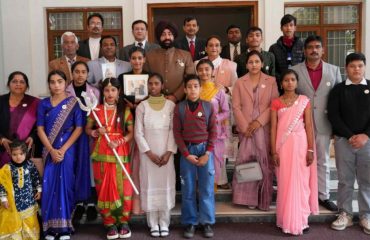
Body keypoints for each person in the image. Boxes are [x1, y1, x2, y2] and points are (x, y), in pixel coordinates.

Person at [291, 35, 341, 212]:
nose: (314, 50)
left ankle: (323, 195)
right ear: (304, 51)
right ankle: (304, 194)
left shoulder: (333, 70)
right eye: (310, 47)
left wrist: (337, 126)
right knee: (300, 161)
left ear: (323, 49)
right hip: (300, 125)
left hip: (323, 123)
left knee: (323, 160)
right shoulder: (295, 69)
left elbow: (337, 100)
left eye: (317, 47)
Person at [37, 70, 86, 240]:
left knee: (65, 184)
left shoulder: (74, 102)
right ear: (49, 84)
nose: (56, 85)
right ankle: (50, 227)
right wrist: (51, 150)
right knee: (49, 184)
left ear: (66, 82)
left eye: (59, 81)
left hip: (67, 149)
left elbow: (79, 128)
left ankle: (65, 227)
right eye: (52, 82)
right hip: (49, 149)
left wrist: (63, 149)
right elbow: (40, 128)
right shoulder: (44, 104)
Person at [270, 69, 319, 235]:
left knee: (302, 182)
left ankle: (301, 219)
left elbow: (310, 126)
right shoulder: (276, 102)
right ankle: (285, 219)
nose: (289, 83)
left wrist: (311, 149)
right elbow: (273, 128)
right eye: (286, 80)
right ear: (281, 83)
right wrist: (273, 152)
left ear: (297, 83)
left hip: (301, 145)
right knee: (285, 181)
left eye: (292, 80)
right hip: (282, 147)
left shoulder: (304, 101)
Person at [85, 77, 134, 240]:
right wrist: (96, 132)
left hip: (119, 152)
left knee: (123, 188)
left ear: (119, 91)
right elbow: (87, 129)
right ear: (103, 92)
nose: (110, 93)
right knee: (104, 189)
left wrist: (119, 141)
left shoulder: (125, 110)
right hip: (101, 154)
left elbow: (131, 133)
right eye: (107, 90)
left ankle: (124, 222)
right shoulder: (96, 110)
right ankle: (110, 223)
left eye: (113, 90)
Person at [328, 53, 370, 235]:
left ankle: (366, 215)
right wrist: (350, 135)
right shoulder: (338, 90)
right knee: (345, 180)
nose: (357, 69)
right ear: (346, 68)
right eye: (353, 66)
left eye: (360, 66)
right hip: (343, 141)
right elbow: (333, 115)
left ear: (365, 67)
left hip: (367, 142)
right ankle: (345, 213)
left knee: (366, 180)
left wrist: (365, 135)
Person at [232, 50, 278, 210]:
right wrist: (246, 128)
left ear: (262, 64)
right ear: (246, 65)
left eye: (257, 62)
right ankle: (248, 199)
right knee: (247, 161)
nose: (254, 65)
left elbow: (274, 104)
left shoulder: (271, 81)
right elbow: (236, 106)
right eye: (250, 62)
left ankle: (263, 198)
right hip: (246, 131)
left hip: (263, 128)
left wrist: (258, 122)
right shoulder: (239, 82)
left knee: (264, 162)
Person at [173, 75, 217, 238]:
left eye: (196, 86)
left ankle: (207, 222)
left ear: (200, 88)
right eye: (189, 86)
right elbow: (177, 133)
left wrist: (207, 153)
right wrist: (186, 154)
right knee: (188, 189)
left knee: (206, 189)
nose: (192, 89)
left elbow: (213, 131)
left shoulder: (208, 106)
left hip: (205, 151)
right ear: (185, 89)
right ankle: (190, 222)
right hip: (187, 152)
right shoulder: (179, 108)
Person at [134, 73, 177, 237]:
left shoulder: (170, 106)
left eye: (156, 83)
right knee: (150, 185)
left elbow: (174, 131)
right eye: (150, 84)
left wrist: (168, 152)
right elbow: (138, 133)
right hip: (148, 155)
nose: (153, 87)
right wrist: (149, 153)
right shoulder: (141, 107)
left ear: (162, 85)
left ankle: (164, 222)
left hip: (166, 154)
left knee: (165, 185)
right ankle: (153, 223)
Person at [66, 61, 100, 223]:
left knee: (91, 168)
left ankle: (92, 202)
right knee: (76, 166)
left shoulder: (95, 92)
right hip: (71, 136)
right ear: (72, 73)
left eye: (83, 72)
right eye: (77, 72)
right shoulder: (65, 91)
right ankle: (79, 203)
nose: (80, 75)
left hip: (90, 135)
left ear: (87, 74)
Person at [196, 59, 230, 190]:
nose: (204, 72)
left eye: (207, 69)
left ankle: (211, 195)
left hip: (215, 132)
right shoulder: (195, 88)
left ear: (212, 71)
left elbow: (226, 112)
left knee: (214, 163)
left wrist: (214, 118)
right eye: (201, 69)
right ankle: (201, 195)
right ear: (197, 72)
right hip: (197, 132)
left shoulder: (219, 90)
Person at [144, 20, 195, 102]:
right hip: (156, 100)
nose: (167, 37)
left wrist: (176, 96)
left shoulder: (185, 55)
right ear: (159, 37)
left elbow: (190, 79)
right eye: (163, 34)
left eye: (170, 34)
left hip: (181, 101)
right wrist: (158, 95)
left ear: (174, 36)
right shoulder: (149, 56)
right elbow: (145, 78)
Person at [0, 140, 41, 239]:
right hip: (14, 205)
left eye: (21, 154)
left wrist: (39, 190)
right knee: (15, 225)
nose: (18, 157)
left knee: (30, 223)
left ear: (26, 153)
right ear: (10, 154)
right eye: (15, 154)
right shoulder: (7, 168)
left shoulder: (30, 165)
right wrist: (3, 199)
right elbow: (2, 185)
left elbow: (36, 178)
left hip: (29, 203)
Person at [0, 71, 41, 169]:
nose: (18, 84)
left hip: (25, 151)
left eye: (22, 82)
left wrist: (33, 137)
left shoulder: (36, 103)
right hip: (2, 150)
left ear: (27, 86)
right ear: (8, 85)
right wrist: (1, 139)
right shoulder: (1, 101)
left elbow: (40, 126)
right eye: (14, 81)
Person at [269, 14, 304, 89]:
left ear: (295, 28)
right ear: (281, 28)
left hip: (299, 85)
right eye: (285, 25)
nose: (288, 28)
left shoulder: (303, 46)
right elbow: (272, 69)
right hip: (280, 86)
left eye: (291, 25)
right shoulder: (274, 48)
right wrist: (283, 80)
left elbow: (305, 66)